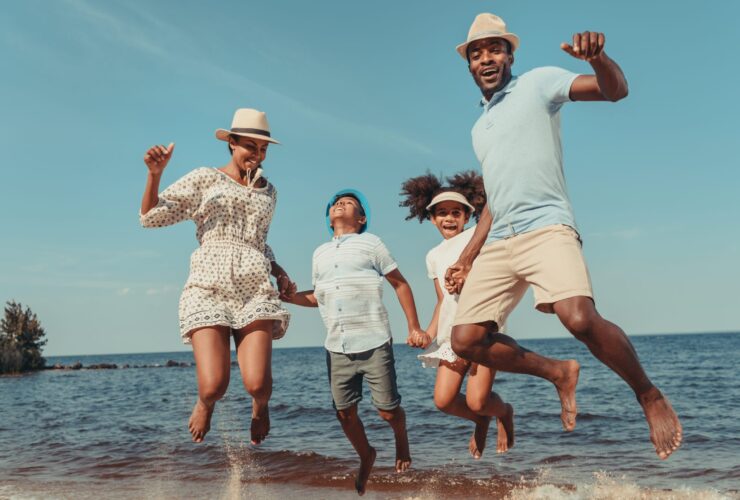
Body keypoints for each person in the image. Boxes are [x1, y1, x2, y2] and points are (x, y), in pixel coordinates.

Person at [445, 13, 682, 460]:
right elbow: (495, 198)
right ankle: (557, 371)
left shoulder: (539, 83)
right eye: (476, 53)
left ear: (510, 55)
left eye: (494, 49)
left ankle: (648, 394)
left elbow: (615, 91)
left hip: (546, 225)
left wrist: (600, 59)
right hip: (499, 243)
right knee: (465, 340)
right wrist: (469, 255)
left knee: (577, 318)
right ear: (470, 66)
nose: (486, 58)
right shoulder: (479, 127)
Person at [139, 108, 296, 445]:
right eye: (250, 147)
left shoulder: (270, 192)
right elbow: (150, 216)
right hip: (209, 284)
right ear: (232, 143)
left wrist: (279, 271)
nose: (257, 155)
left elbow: (259, 242)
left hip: (253, 286)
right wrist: (155, 175)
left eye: (263, 149)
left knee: (258, 384)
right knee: (214, 385)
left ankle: (260, 406)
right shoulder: (205, 178)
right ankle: (205, 403)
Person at [284, 189, 425, 496]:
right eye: (336, 202)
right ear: (329, 217)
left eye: (348, 203)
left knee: (387, 411)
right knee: (344, 413)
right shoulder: (319, 253)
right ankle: (367, 455)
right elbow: (317, 296)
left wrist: (414, 326)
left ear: (361, 219)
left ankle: (401, 439)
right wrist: (290, 298)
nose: (340, 204)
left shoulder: (370, 243)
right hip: (337, 346)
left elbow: (400, 284)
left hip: (374, 339)